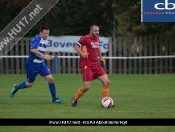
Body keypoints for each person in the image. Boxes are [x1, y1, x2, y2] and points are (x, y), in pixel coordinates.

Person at [10, 26, 64, 103]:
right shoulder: (37, 38)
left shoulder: (45, 40)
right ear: (40, 33)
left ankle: (54, 99)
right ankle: (16, 87)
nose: (46, 34)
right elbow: (33, 49)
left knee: (51, 79)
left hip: (41, 64)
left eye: (47, 33)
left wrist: (47, 55)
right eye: (44, 33)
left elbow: (42, 51)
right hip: (32, 65)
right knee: (29, 84)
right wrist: (44, 56)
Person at [71, 25, 114, 107]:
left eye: (98, 31)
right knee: (86, 87)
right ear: (91, 31)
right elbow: (76, 47)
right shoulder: (85, 38)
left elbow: (98, 48)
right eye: (95, 31)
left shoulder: (97, 38)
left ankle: (104, 101)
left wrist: (101, 57)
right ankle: (75, 99)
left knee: (107, 82)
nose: (97, 32)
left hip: (96, 64)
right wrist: (82, 53)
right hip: (87, 65)